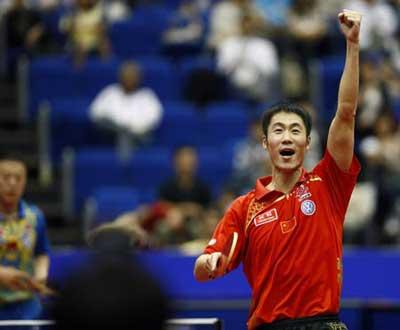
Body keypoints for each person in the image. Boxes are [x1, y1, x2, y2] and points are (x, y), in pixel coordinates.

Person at [194, 10, 361, 330]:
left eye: (295, 130)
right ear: (265, 143)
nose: (287, 137)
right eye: (279, 130)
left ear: (308, 142)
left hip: (322, 324)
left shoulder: (328, 184)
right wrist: (209, 264)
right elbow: (203, 268)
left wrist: (352, 45)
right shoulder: (244, 208)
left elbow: (347, 112)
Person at [0, 152, 51, 319]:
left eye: (18, 178)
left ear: (24, 183)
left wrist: (41, 275)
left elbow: (41, 253)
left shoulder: (35, 217)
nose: (12, 183)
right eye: (6, 177)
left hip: (27, 306)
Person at [90, 60, 163, 160]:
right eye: (126, 75)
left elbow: (154, 119)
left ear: (139, 78)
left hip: (138, 138)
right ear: (120, 77)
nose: (129, 79)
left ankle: (125, 160)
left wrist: (129, 129)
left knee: (128, 136)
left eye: (132, 76)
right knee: (119, 133)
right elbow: (95, 113)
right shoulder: (110, 92)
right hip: (110, 136)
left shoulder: (147, 96)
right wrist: (119, 128)